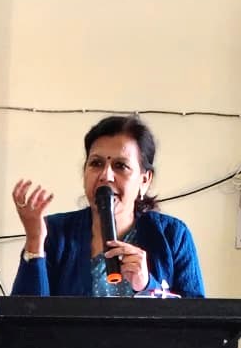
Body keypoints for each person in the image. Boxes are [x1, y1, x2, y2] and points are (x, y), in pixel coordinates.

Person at [11, 114, 204, 298]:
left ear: (144, 180)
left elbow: (197, 316)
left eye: (121, 166)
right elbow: (26, 314)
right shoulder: (54, 232)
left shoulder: (173, 235)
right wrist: (35, 242)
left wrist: (147, 286)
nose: (106, 176)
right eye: (96, 163)